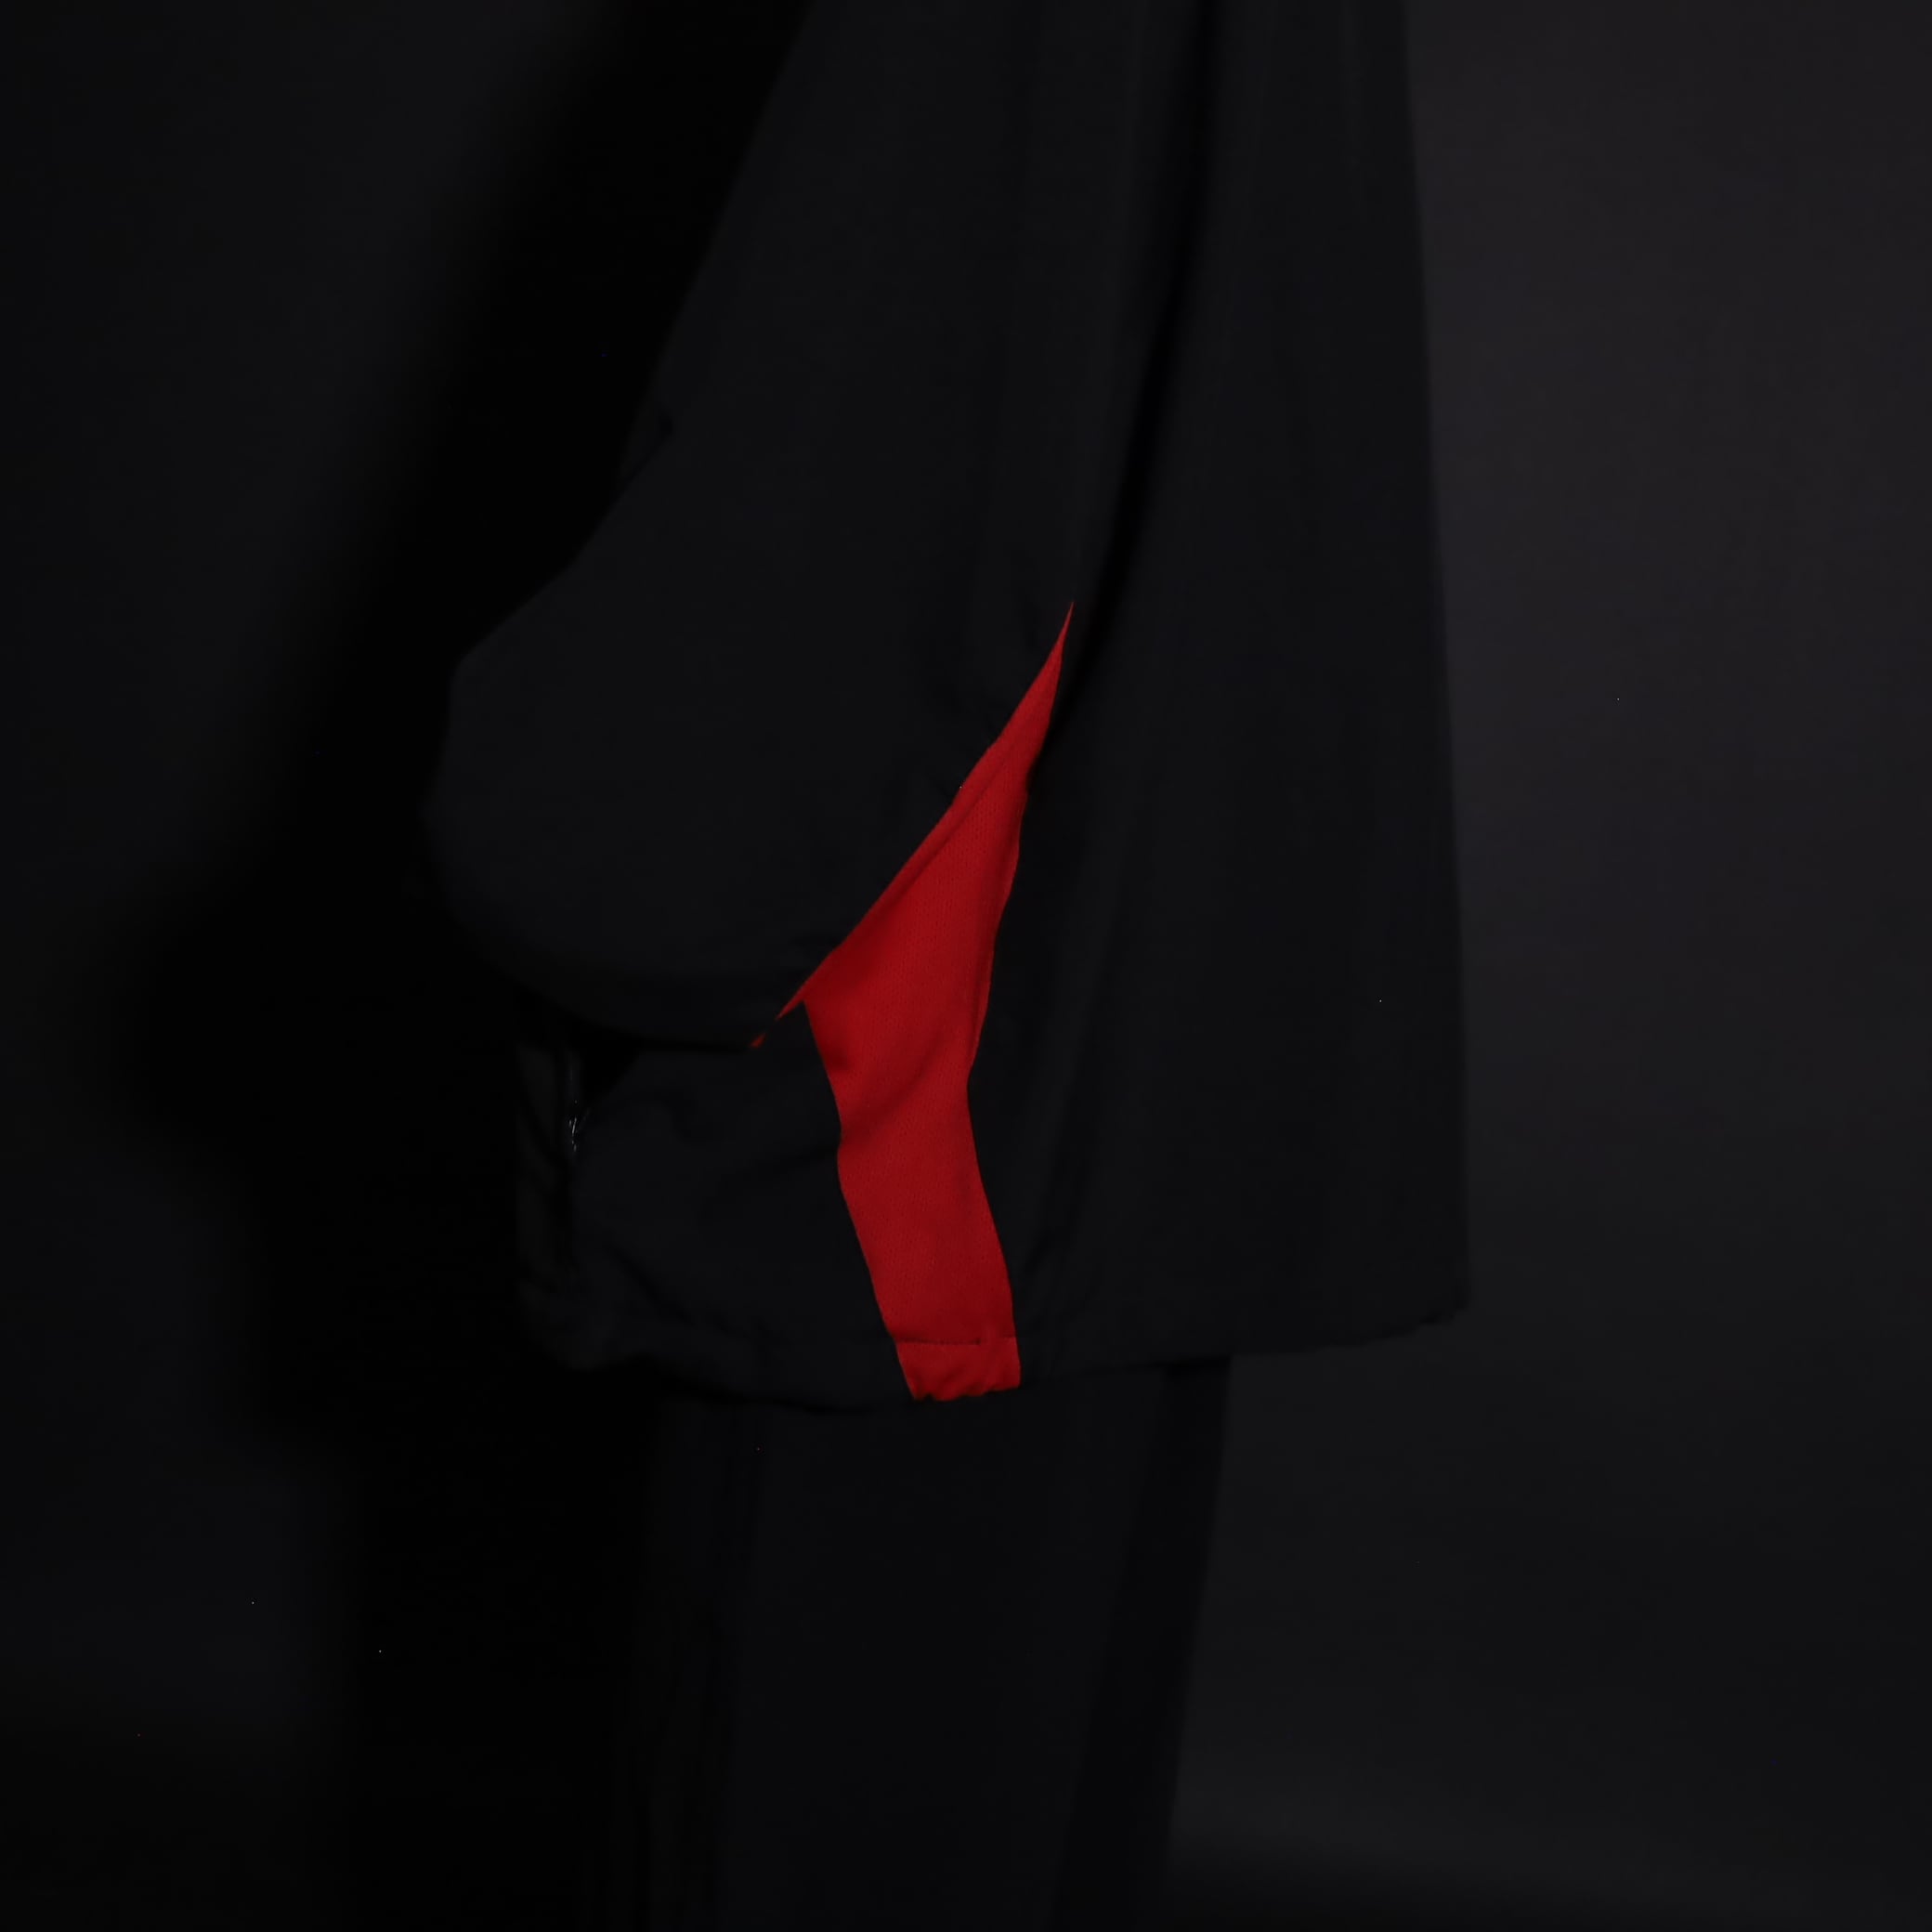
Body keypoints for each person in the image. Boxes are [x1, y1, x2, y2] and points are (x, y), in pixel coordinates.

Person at [419, 2, 1469, 1924]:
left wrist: (537, 811)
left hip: (915, 1116)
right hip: (1105, 1063)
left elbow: (865, 481)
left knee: (813, 1811)